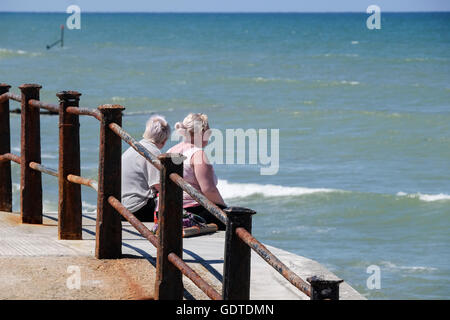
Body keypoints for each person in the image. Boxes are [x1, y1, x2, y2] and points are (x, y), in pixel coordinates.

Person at [167, 113, 227, 230]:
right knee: (237, 221)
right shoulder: (198, 154)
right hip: (192, 212)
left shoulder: (170, 150)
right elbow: (209, 190)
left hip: (170, 208)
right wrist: (224, 208)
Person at [121, 115, 171, 222]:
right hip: (138, 209)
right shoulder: (153, 152)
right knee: (174, 203)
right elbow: (158, 185)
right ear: (164, 140)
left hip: (122, 207)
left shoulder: (134, 147)